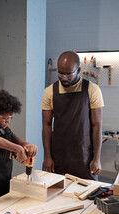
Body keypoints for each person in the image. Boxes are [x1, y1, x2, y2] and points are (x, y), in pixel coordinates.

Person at [41, 51, 104, 180]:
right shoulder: (49, 92)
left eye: (69, 74)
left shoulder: (92, 89)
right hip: (59, 155)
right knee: (57, 194)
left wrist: (96, 158)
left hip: (84, 156)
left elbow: (97, 125)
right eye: (60, 73)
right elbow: (46, 125)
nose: (64, 78)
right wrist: (47, 156)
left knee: (88, 194)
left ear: (79, 70)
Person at [0, 89, 37, 207]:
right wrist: (18, 149)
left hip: (5, 183)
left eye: (11, 117)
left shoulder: (6, 130)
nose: (8, 121)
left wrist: (29, 146)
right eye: (4, 118)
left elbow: (21, 143)